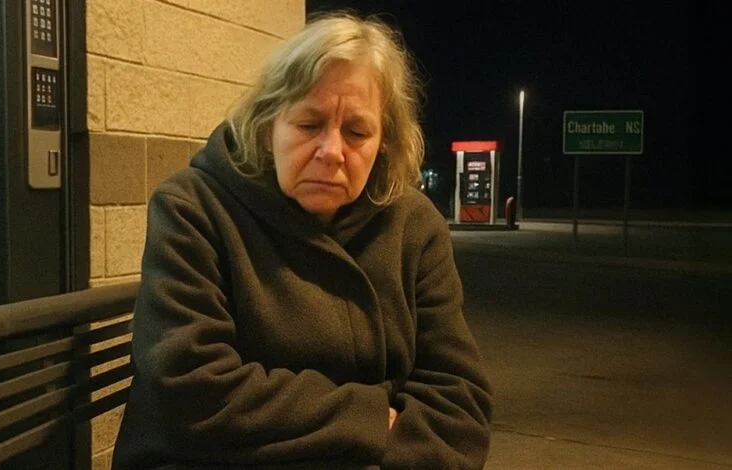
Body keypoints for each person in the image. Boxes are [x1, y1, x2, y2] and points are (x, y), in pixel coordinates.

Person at [112, 11, 493, 470]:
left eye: (357, 132)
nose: (331, 152)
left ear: (384, 143)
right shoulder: (193, 207)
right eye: (309, 125)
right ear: (266, 128)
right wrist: (372, 418)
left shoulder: (414, 226)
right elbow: (190, 388)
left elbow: (459, 403)